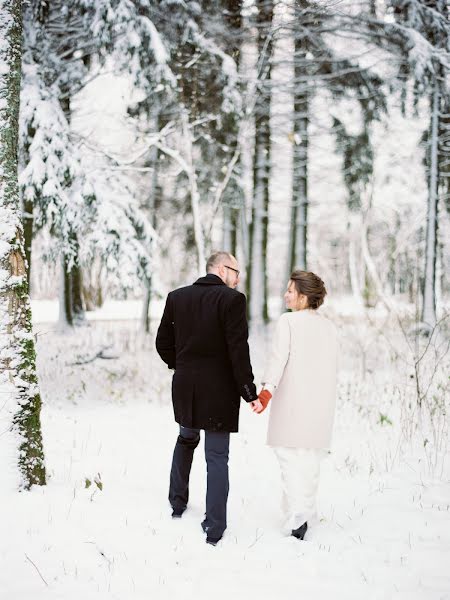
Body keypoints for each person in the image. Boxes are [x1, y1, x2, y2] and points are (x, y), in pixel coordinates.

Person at [155, 251, 259, 546]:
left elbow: (162, 342)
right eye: (236, 272)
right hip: (219, 390)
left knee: (185, 440)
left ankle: (177, 503)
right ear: (220, 269)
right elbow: (238, 350)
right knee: (216, 456)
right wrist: (248, 390)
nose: (238, 279)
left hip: (185, 386)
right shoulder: (232, 301)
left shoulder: (177, 297)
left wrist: (180, 365)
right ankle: (214, 527)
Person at [254, 270, 338, 540]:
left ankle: (297, 518)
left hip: (292, 400)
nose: (285, 295)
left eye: (290, 291)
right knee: (311, 461)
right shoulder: (329, 326)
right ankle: (306, 513)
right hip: (321, 402)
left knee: (288, 458)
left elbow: (278, 359)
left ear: (303, 297)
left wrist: (266, 393)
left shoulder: (288, 321)